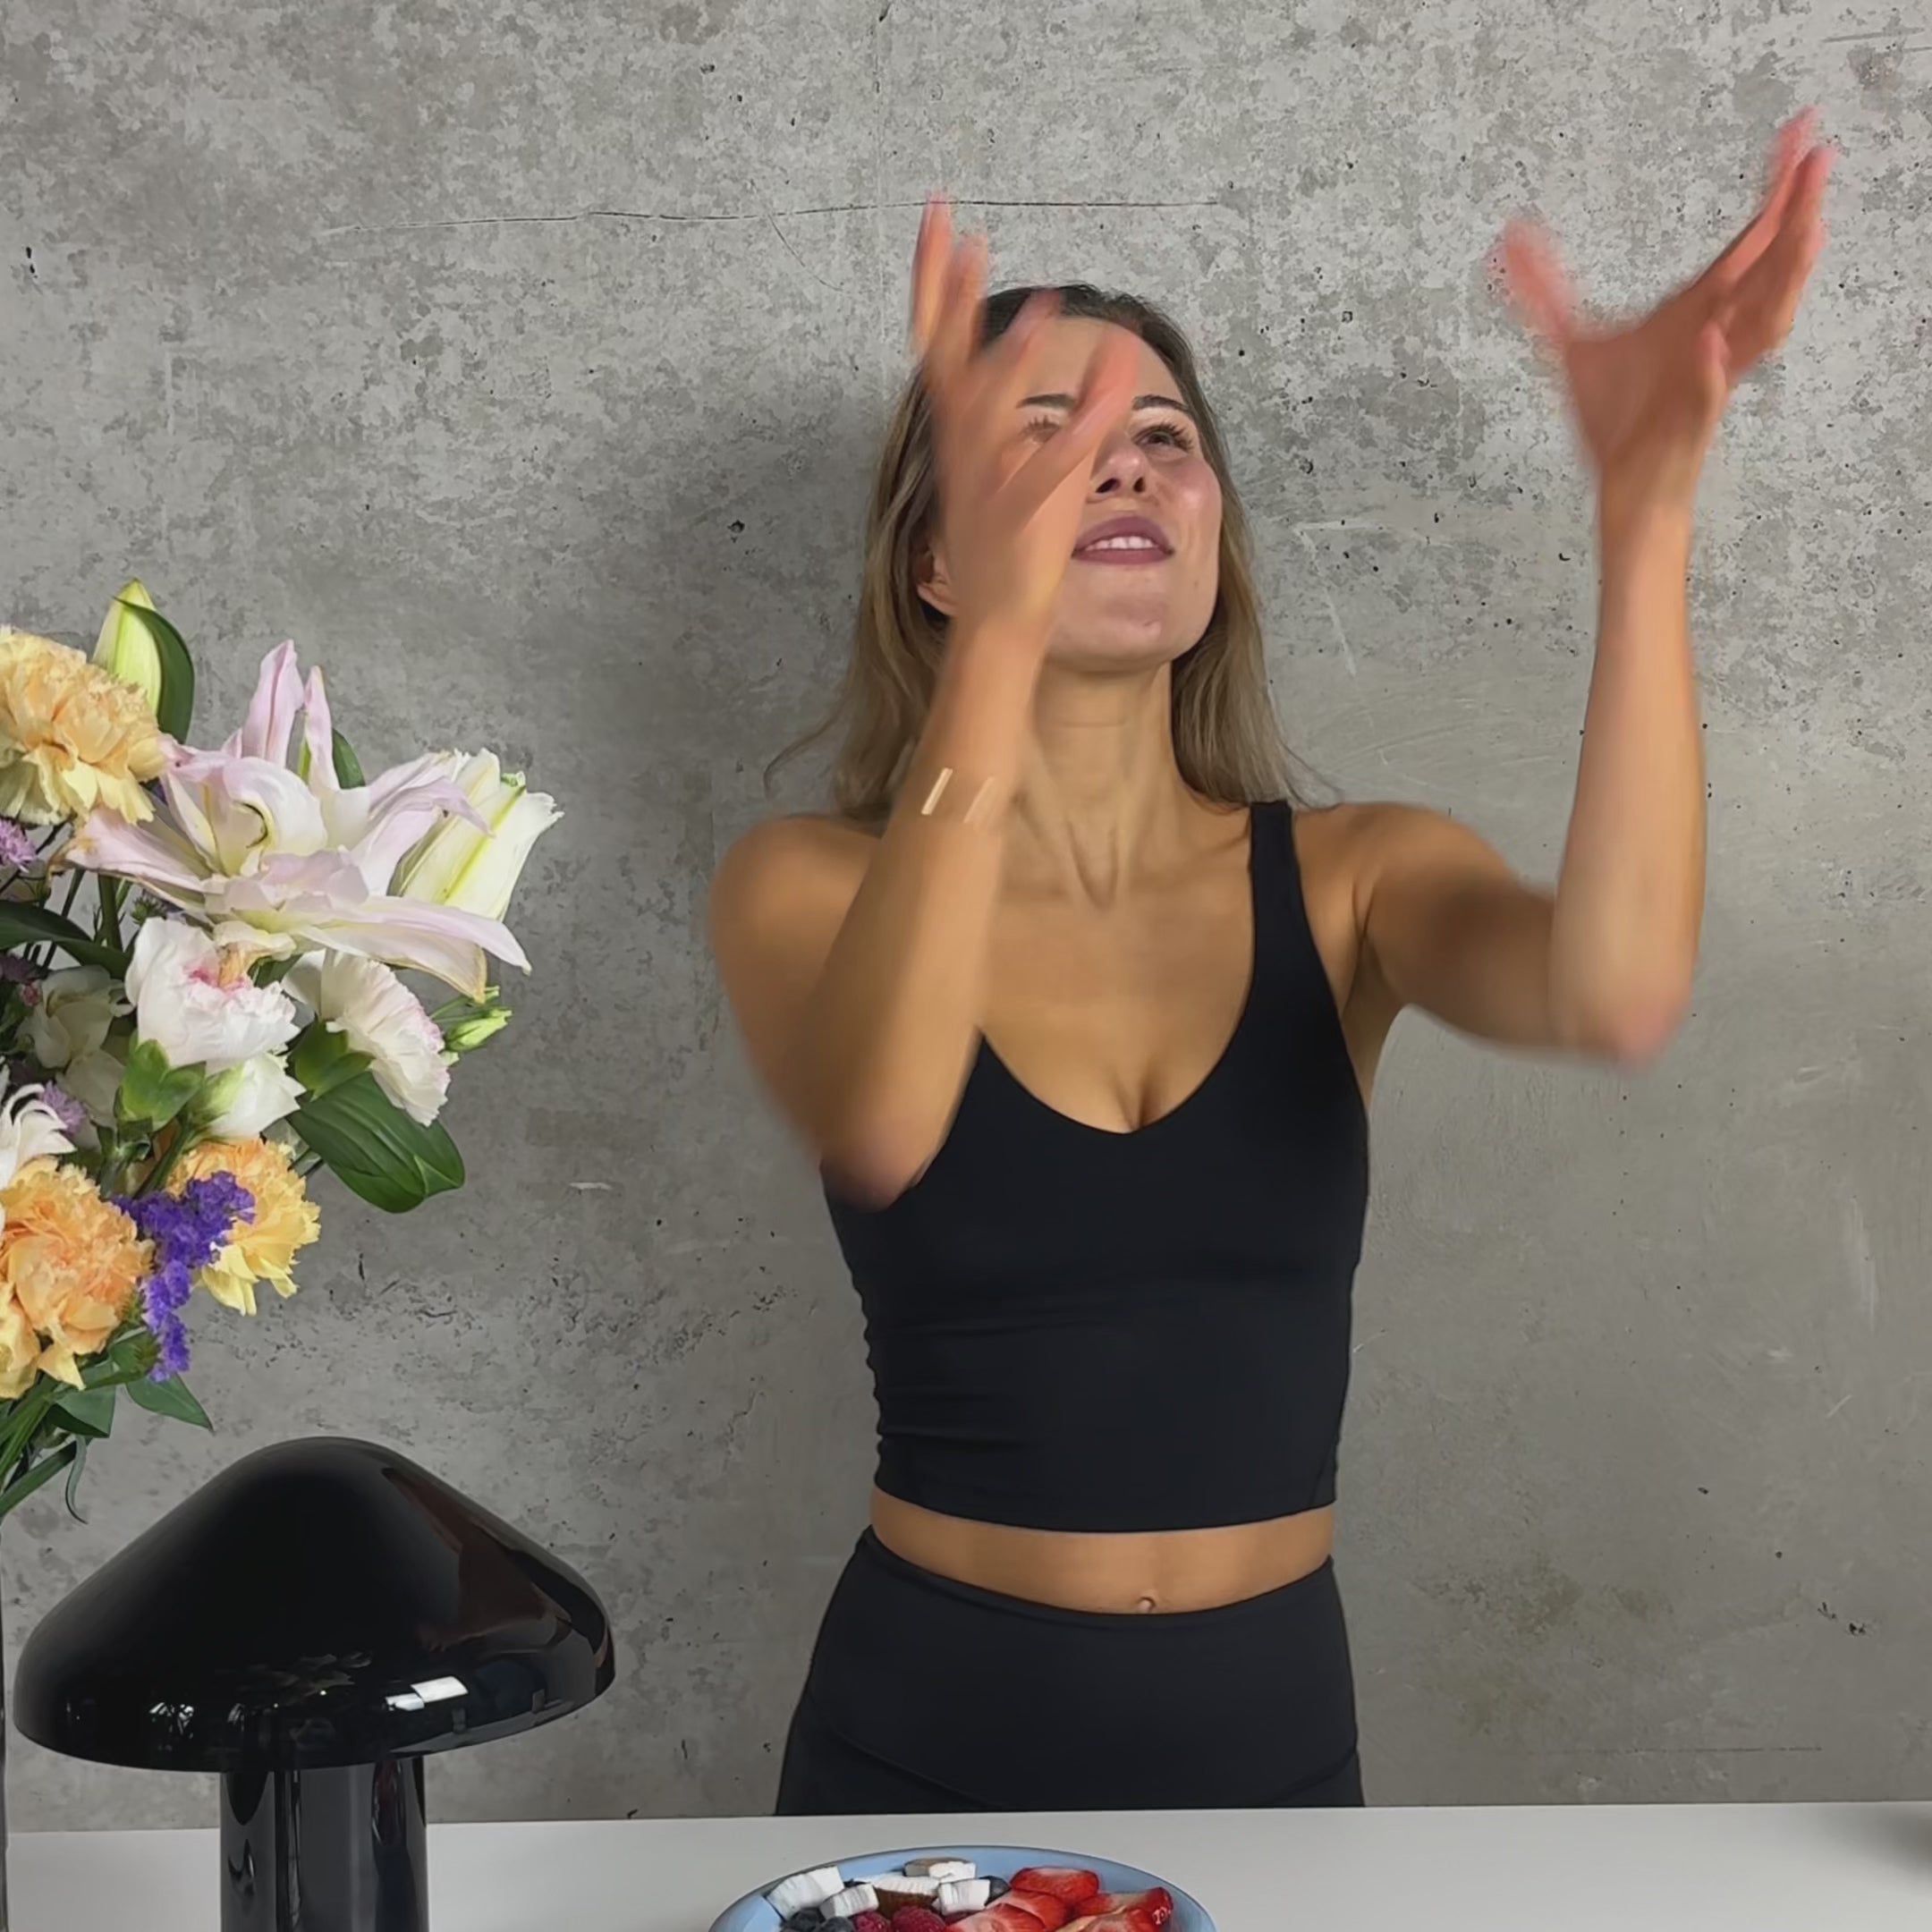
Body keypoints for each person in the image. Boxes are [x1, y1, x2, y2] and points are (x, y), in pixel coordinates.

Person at [709, 114, 1832, 1815]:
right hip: (922, 1749)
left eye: (1161, 436)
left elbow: (1615, 992)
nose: (1122, 467)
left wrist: (1647, 507)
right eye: (1044, 435)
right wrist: (1003, 642)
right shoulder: (804, 883)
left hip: (1276, 1750)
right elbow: (879, 1125)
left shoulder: (1356, 878)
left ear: (1217, 531)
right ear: (936, 559)